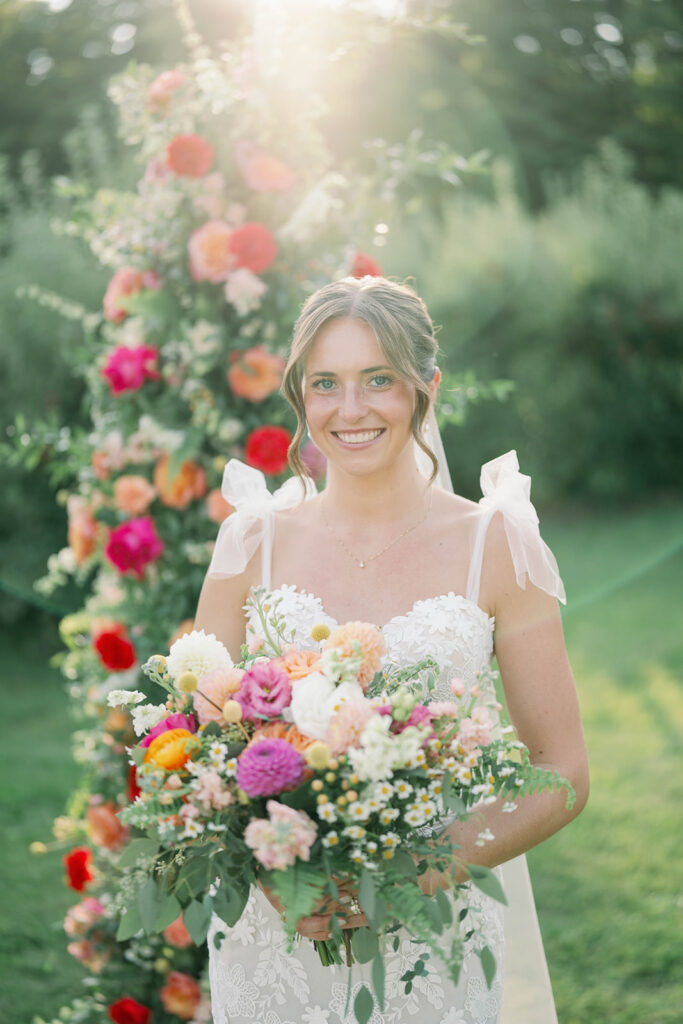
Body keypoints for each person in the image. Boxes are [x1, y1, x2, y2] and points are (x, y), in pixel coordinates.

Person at [194, 275, 589, 1024]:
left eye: (378, 379)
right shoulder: (250, 545)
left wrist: (411, 872)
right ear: (299, 398)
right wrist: (269, 870)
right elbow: (191, 748)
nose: (350, 410)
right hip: (277, 929)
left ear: (425, 385)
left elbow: (562, 771)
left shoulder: (496, 546)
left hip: (431, 935)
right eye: (325, 384)